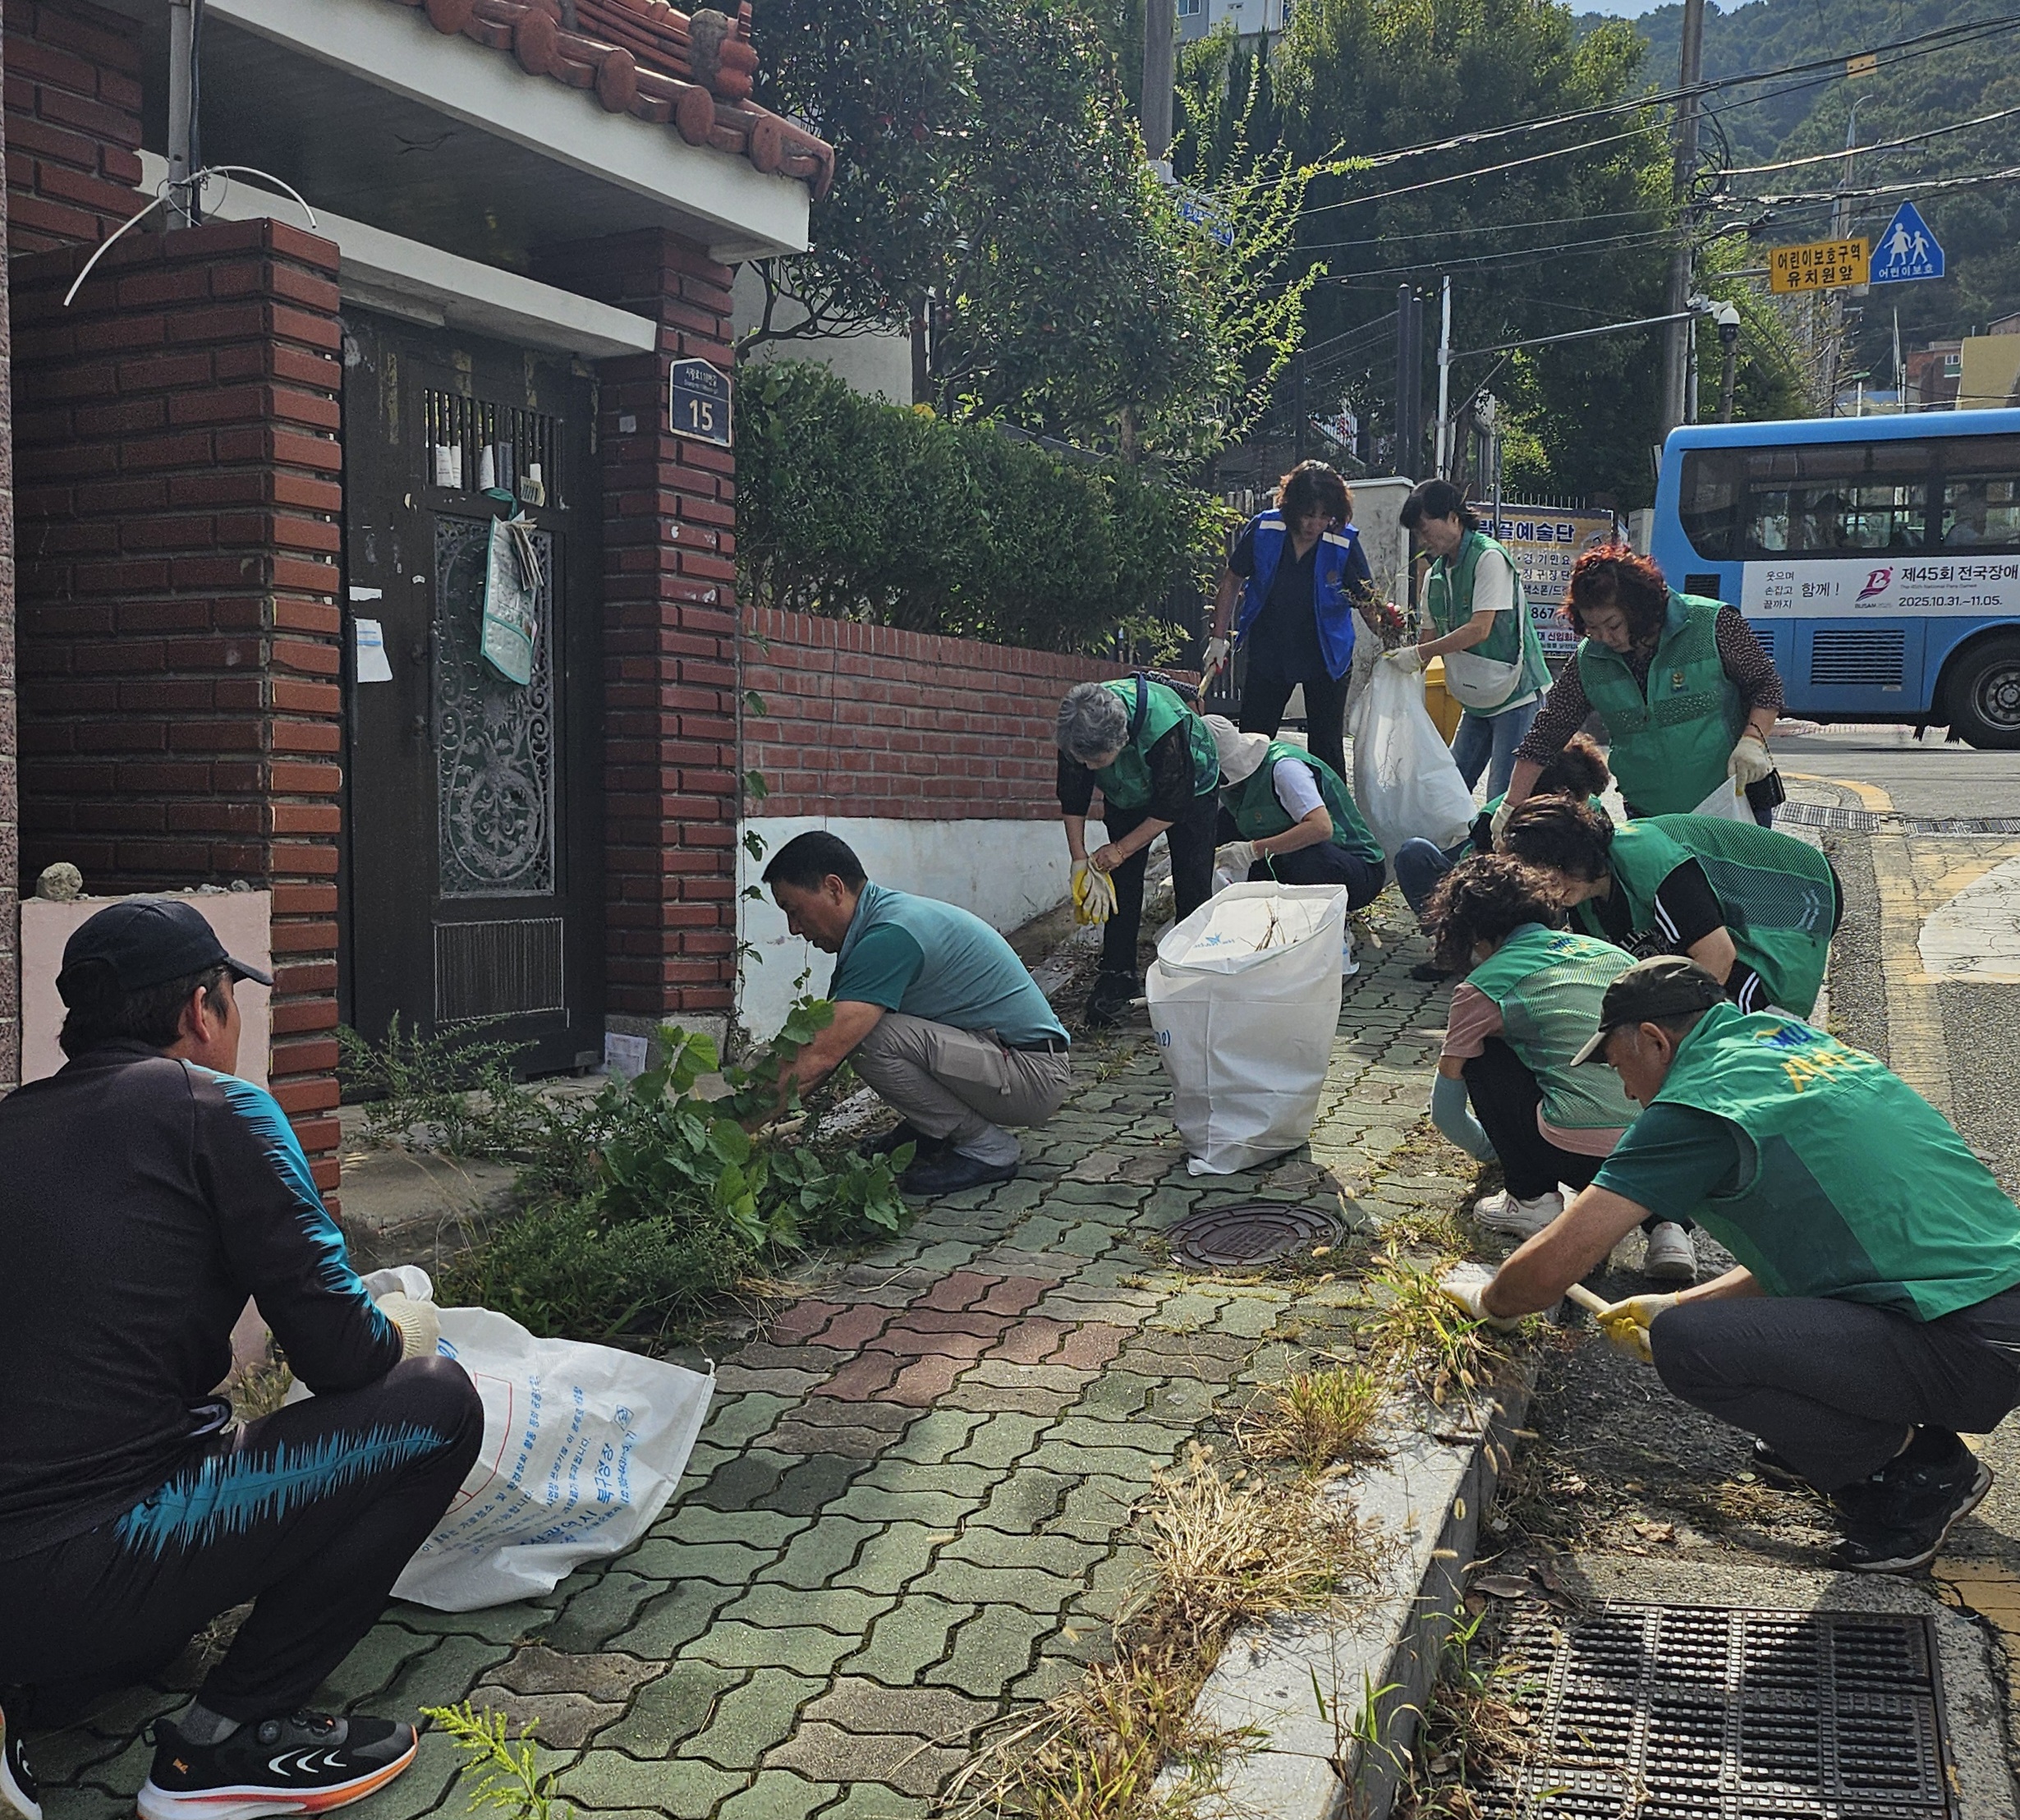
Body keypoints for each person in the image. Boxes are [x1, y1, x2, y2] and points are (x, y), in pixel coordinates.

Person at [0, 899, 482, 1820]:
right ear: (199, 1008)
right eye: (233, 997)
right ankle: (224, 1743)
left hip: (27, 1588)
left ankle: (38, 1692)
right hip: (99, 1547)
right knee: (437, 1402)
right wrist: (406, 1316)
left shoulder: (15, 1122)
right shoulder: (217, 1107)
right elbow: (346, 1354)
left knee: (148, 1596)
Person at [1444, 955, 2020, 1574]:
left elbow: (1557, 1263)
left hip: (1968, 1341)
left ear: (1655, 1041)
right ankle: (1852, 1443)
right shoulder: (1789, 1046)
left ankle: (1918, 1473)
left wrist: (1490, 1300)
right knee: (1694, 1325)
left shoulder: (1697, 1105)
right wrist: (1678, 1301)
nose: (1630, 1092)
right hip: (1989, 1307)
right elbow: (1815, 1253)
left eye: (1619, 1068)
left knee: (1689, 1347)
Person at [1421, 857, 1695, 1277]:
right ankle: (1670, 1229)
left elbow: (1445, 1113)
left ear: (1473, 934)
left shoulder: (1482, 986)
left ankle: (1531, 1200)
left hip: (1574, 1157)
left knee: (1482, 1054)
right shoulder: (1608, 952)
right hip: (1661, 1154)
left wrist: (1496, 1151)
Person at [761, 831, 1072, 1197]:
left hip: (1032, 1076)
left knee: (869, 1039)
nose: (793, 929)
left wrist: (736, 1127)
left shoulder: (890, 936)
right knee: (862, 1031)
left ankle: (988, 1149)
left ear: (834, 889)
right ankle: (931, 1132)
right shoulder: (878, 924)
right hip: (1003, 1059)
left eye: (794, 911)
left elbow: (822, 1054)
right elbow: (816, 1048)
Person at [1502, 545, 1785, 828]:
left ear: (1638, 607)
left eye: (1613, 625)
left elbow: (1766, 685)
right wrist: (1510, 806)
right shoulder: (1589, 659)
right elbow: (1547, 733)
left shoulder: (1711, 624)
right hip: (1648, 817)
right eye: (1592, 628)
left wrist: (1753, 739)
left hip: (1731, 804)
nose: (1604, 637)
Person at [1499, 796, 1842, 1019]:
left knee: (1753, 1016)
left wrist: (1673, 1035)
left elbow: (1717, 957)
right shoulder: (1582, 898)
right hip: (1728, 923)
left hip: (1792, 892)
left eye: (1555, 870)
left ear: (1574, 853)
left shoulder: (1644, 856)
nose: (1552, 887)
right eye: (1539, 879)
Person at [1202, 460, 1384, 782]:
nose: (1315, 524)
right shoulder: (1264, 529)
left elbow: (1366, 601)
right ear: (1291, 507)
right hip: (1271, 648)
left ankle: (1332, 825)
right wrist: (1218, 638)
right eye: (1308, 514)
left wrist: (1391, 638)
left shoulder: (1343, 540)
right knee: (1255, 741)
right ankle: (1245, 817)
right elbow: (1232, 579)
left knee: (1326, 748)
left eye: (1324, 515)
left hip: (1327, 654)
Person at [1056, 674, 1222, 1027]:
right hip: (1127, 794)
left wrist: (1121, 848)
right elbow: (1073, 795)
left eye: (1096, 763)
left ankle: (1193, 974)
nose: (1087, 770)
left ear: (1122, 741)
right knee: (1121, 886)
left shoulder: (1162, 725)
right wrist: (1079, 858)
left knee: (1192, 880)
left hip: (1191, 791)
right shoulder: (1076, 727)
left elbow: (1172, 806)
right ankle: (1117, 973)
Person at [1393, 733, 1611, 978]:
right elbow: (1477, 885)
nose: (1577, 809)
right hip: (1499, 904)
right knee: (1414, 854)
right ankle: (1453, 950)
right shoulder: (1494, 819)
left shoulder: (1593, 814)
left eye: (1581, 802)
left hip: (1553, 916)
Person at [1387, 480, 1552, 799]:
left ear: (1452, 517)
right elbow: (1428, 638)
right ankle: (1453, 850)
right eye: (1417, 534)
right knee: (1450, 793)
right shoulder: (1434, 576)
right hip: (1475, 700)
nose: (1422, 540)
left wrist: (1418, 653)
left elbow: (1480, 629)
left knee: (1503, 800)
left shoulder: (1488, 558)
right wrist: (1396, 679)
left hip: (1515, 696)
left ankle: (1499, 850)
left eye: (1424, 529)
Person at [1206, 716, 1386, 910]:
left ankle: (1327, 920)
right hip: (1285, 857)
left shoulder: (1284, 768)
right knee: (1220, 829)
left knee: (1305, 858)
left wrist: (1253, 851)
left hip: (1353, 868)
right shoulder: (1234, 789)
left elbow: (1321, 828)